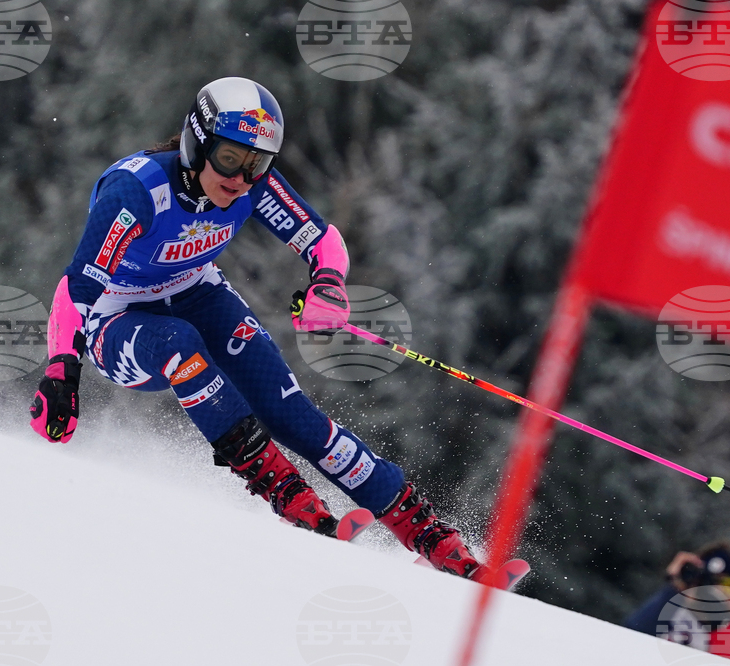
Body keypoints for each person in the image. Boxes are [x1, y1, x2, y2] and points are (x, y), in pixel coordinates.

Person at [28, 76, 484, 580]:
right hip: (116, 317)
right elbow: (76, 289)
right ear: (196, 144)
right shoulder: (137, 192)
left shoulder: (254, 187)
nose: (241, 178)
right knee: (180, 346)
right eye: (229, 159)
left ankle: (423, 531)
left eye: (257, 164)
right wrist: (61, 370)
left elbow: (324, 241)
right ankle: (284, 490)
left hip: (198, 293)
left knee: (291, 414)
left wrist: (328, 286)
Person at [623, 541, 730, 665]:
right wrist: (673, 590)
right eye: (709, 582)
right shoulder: (664, 626)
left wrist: (719, 629)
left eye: (728, 585)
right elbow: (623, 645)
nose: (716, 592)